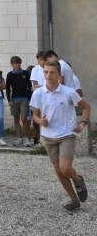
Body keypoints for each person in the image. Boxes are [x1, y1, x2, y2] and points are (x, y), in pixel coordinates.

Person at [30, 58, 90, 211]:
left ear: (58, 74)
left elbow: (86, 107)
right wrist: (40, 121)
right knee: (59, 170)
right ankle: (73, 199)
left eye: (52, 72)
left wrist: (82, 123)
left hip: (67, 134)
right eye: (46, 72)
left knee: (64, 168)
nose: (49, 75)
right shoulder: (38, 93)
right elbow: (36, 115)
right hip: (49, 136)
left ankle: (78, 180)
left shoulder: (68, 92)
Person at [6, 56, 33, 147]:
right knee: (16, 119)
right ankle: (19, 138)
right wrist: (9, 99)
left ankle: (27, 138)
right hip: (14, 99)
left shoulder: (25, 73)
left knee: (24, 118)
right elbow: (7, 88)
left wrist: (29, 98)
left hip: (24, 98)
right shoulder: (10, 75)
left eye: (19, 63)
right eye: (16, 63)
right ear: (12, 64)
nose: (18, 65)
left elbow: (30, 86)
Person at [30, 51, 46, 147]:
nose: (42, 62)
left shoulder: (48, 69)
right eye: (41, 60)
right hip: (37, 96)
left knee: (45, 118)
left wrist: (42, 86)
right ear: (38, 60)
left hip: (47, 96)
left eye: (44, 60)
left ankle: (44, 139)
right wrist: (42, 86)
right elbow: (35, 85)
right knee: (36, 120)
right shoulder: (35, 70)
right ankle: (36, 141)